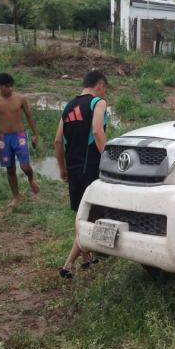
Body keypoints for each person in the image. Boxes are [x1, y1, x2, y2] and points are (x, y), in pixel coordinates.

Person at [55, 70, 110, 278]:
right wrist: (109, 160)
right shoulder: (98, 103)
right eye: (105, 90)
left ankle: (87, 259)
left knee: (81, 215)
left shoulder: (68, 107)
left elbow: (58, 141)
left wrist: (62, 168)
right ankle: (68, 264)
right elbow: (97, 131)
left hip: (74, 168)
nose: (104, 94)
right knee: (90, 217)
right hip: (92, 168)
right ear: (100, 85)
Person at [0, 72, 40, 207]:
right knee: (10, 169)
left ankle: (31, 179)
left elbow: (29, 116)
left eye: (11, 86)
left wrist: (35, 134)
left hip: (19, 136)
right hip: (4, 138)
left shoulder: (20, 99)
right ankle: (16, 196)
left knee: (24, 166)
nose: (10, 89)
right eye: (6, 86)